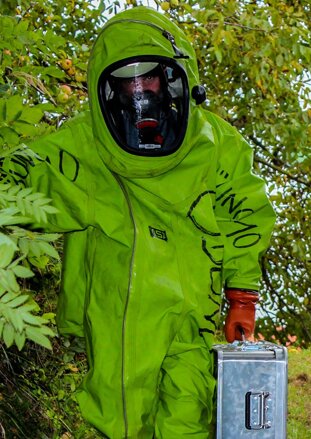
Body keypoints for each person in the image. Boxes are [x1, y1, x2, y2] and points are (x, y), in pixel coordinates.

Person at [0, 7, 275, 438]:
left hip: (193, 313)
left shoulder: (217, 146)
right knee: (123, 420)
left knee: (188, 413)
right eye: (128, 81)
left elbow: (245, 213)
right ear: (107, 88)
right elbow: (22, 176)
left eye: (148, 77)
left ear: (173, 77)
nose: (140, 91)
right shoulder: (84, 146)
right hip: (119, 316)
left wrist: (242, 295)